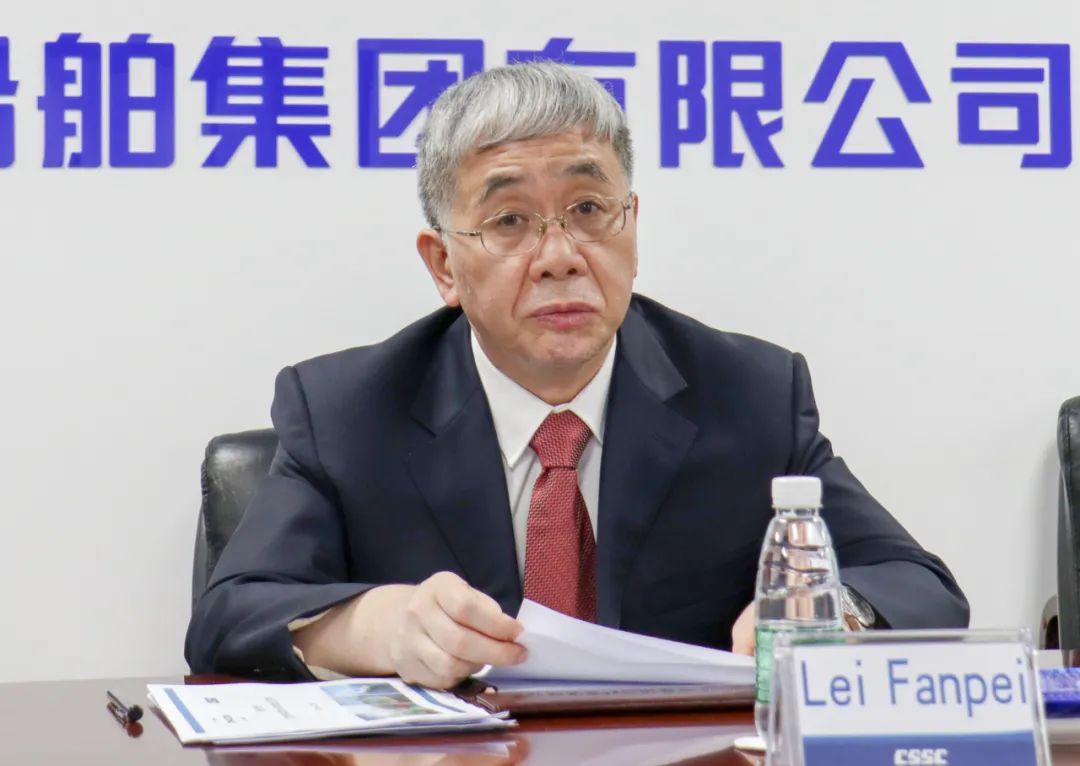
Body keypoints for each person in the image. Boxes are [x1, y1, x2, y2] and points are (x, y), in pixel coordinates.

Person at [185, 62, 968, 689]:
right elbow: (230, 616)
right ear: (443, 265)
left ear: (633, 227)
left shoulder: (749, 393)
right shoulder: (348, 411)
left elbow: (916, 584)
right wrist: (377, 627)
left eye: (590, 209)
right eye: (510, 221)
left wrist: (828, 616)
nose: (560, 256)